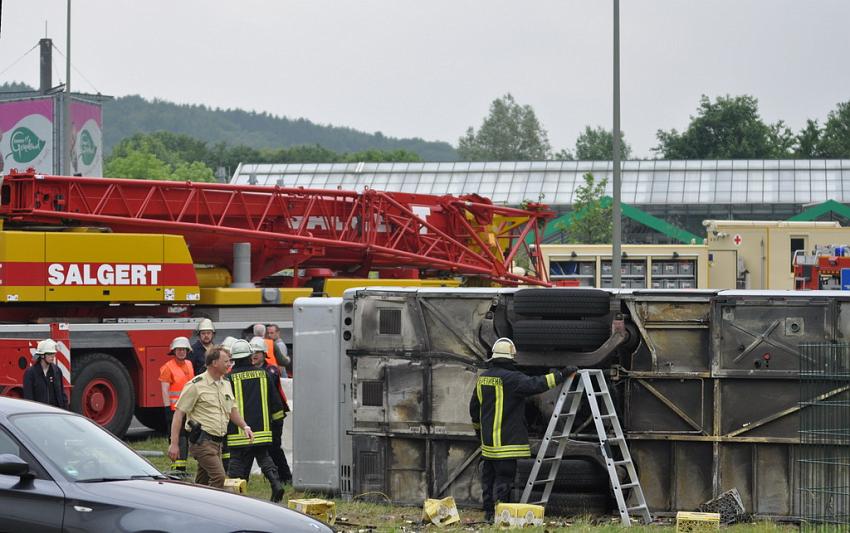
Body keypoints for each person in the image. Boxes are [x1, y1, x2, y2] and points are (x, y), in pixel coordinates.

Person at [469, 337, 575, 522]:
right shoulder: (513, 379)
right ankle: (502, 516)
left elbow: (474, 410)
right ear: (511, 358)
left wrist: (480, 433)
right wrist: (562, 374)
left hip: (488, 445)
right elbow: (538, 384)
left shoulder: (483, 379)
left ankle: (488, 514)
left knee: (488, 480)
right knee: (504, 481)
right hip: (507, 444)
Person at [169, 345, 253, 489]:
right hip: (202, 442)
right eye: (226, 361)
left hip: (217, 443)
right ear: (214, 363)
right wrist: (174, 444)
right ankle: (213, 509)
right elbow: (179, 414)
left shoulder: (225, 383)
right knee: (219, 477)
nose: (229, 364)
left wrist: (244, 426)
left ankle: (194, 507)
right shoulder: (196, 385)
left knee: (202, 483)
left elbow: (232, 409)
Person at [226, 339, 285, 502]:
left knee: (236, 461)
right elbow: (276, 404)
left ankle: (235, 495)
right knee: (263, 457)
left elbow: (226, 406)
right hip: (262, 429)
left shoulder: (229, 378)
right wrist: (276, 430)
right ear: (249, 356)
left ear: (235, 358)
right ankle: (276, 483)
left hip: (238, 431)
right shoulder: (264, 374)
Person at [250, 337, 293, 485]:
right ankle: (273, 476)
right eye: (252, 352)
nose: (254, 355)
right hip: (261, 416)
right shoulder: (251, 370)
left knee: (274, 448)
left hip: (275, 416)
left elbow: (268, 388)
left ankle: (285, 477)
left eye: (258, 352)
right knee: (263, 448)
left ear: (264, 354)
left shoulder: (271, 370)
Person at [159, 336, 194, 473]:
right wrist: (168, 409)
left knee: (185, 438)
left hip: (189, 409)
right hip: (175, 410)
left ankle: (182, 466)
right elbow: (165, 390)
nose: (181, 352)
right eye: (179, 349)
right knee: (177, 438)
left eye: (184, 349)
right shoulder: (167, 367)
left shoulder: (189, 364)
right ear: (174, 351)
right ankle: (177, 468)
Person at [22, 339, 68, 409]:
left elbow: (62, 394)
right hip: (39, 414)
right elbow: (28, 398)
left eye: (53, 354)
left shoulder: (57, 371)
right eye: (50, 354)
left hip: (55, 413)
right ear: (42, 355)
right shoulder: (30, 373)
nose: (53, 356)